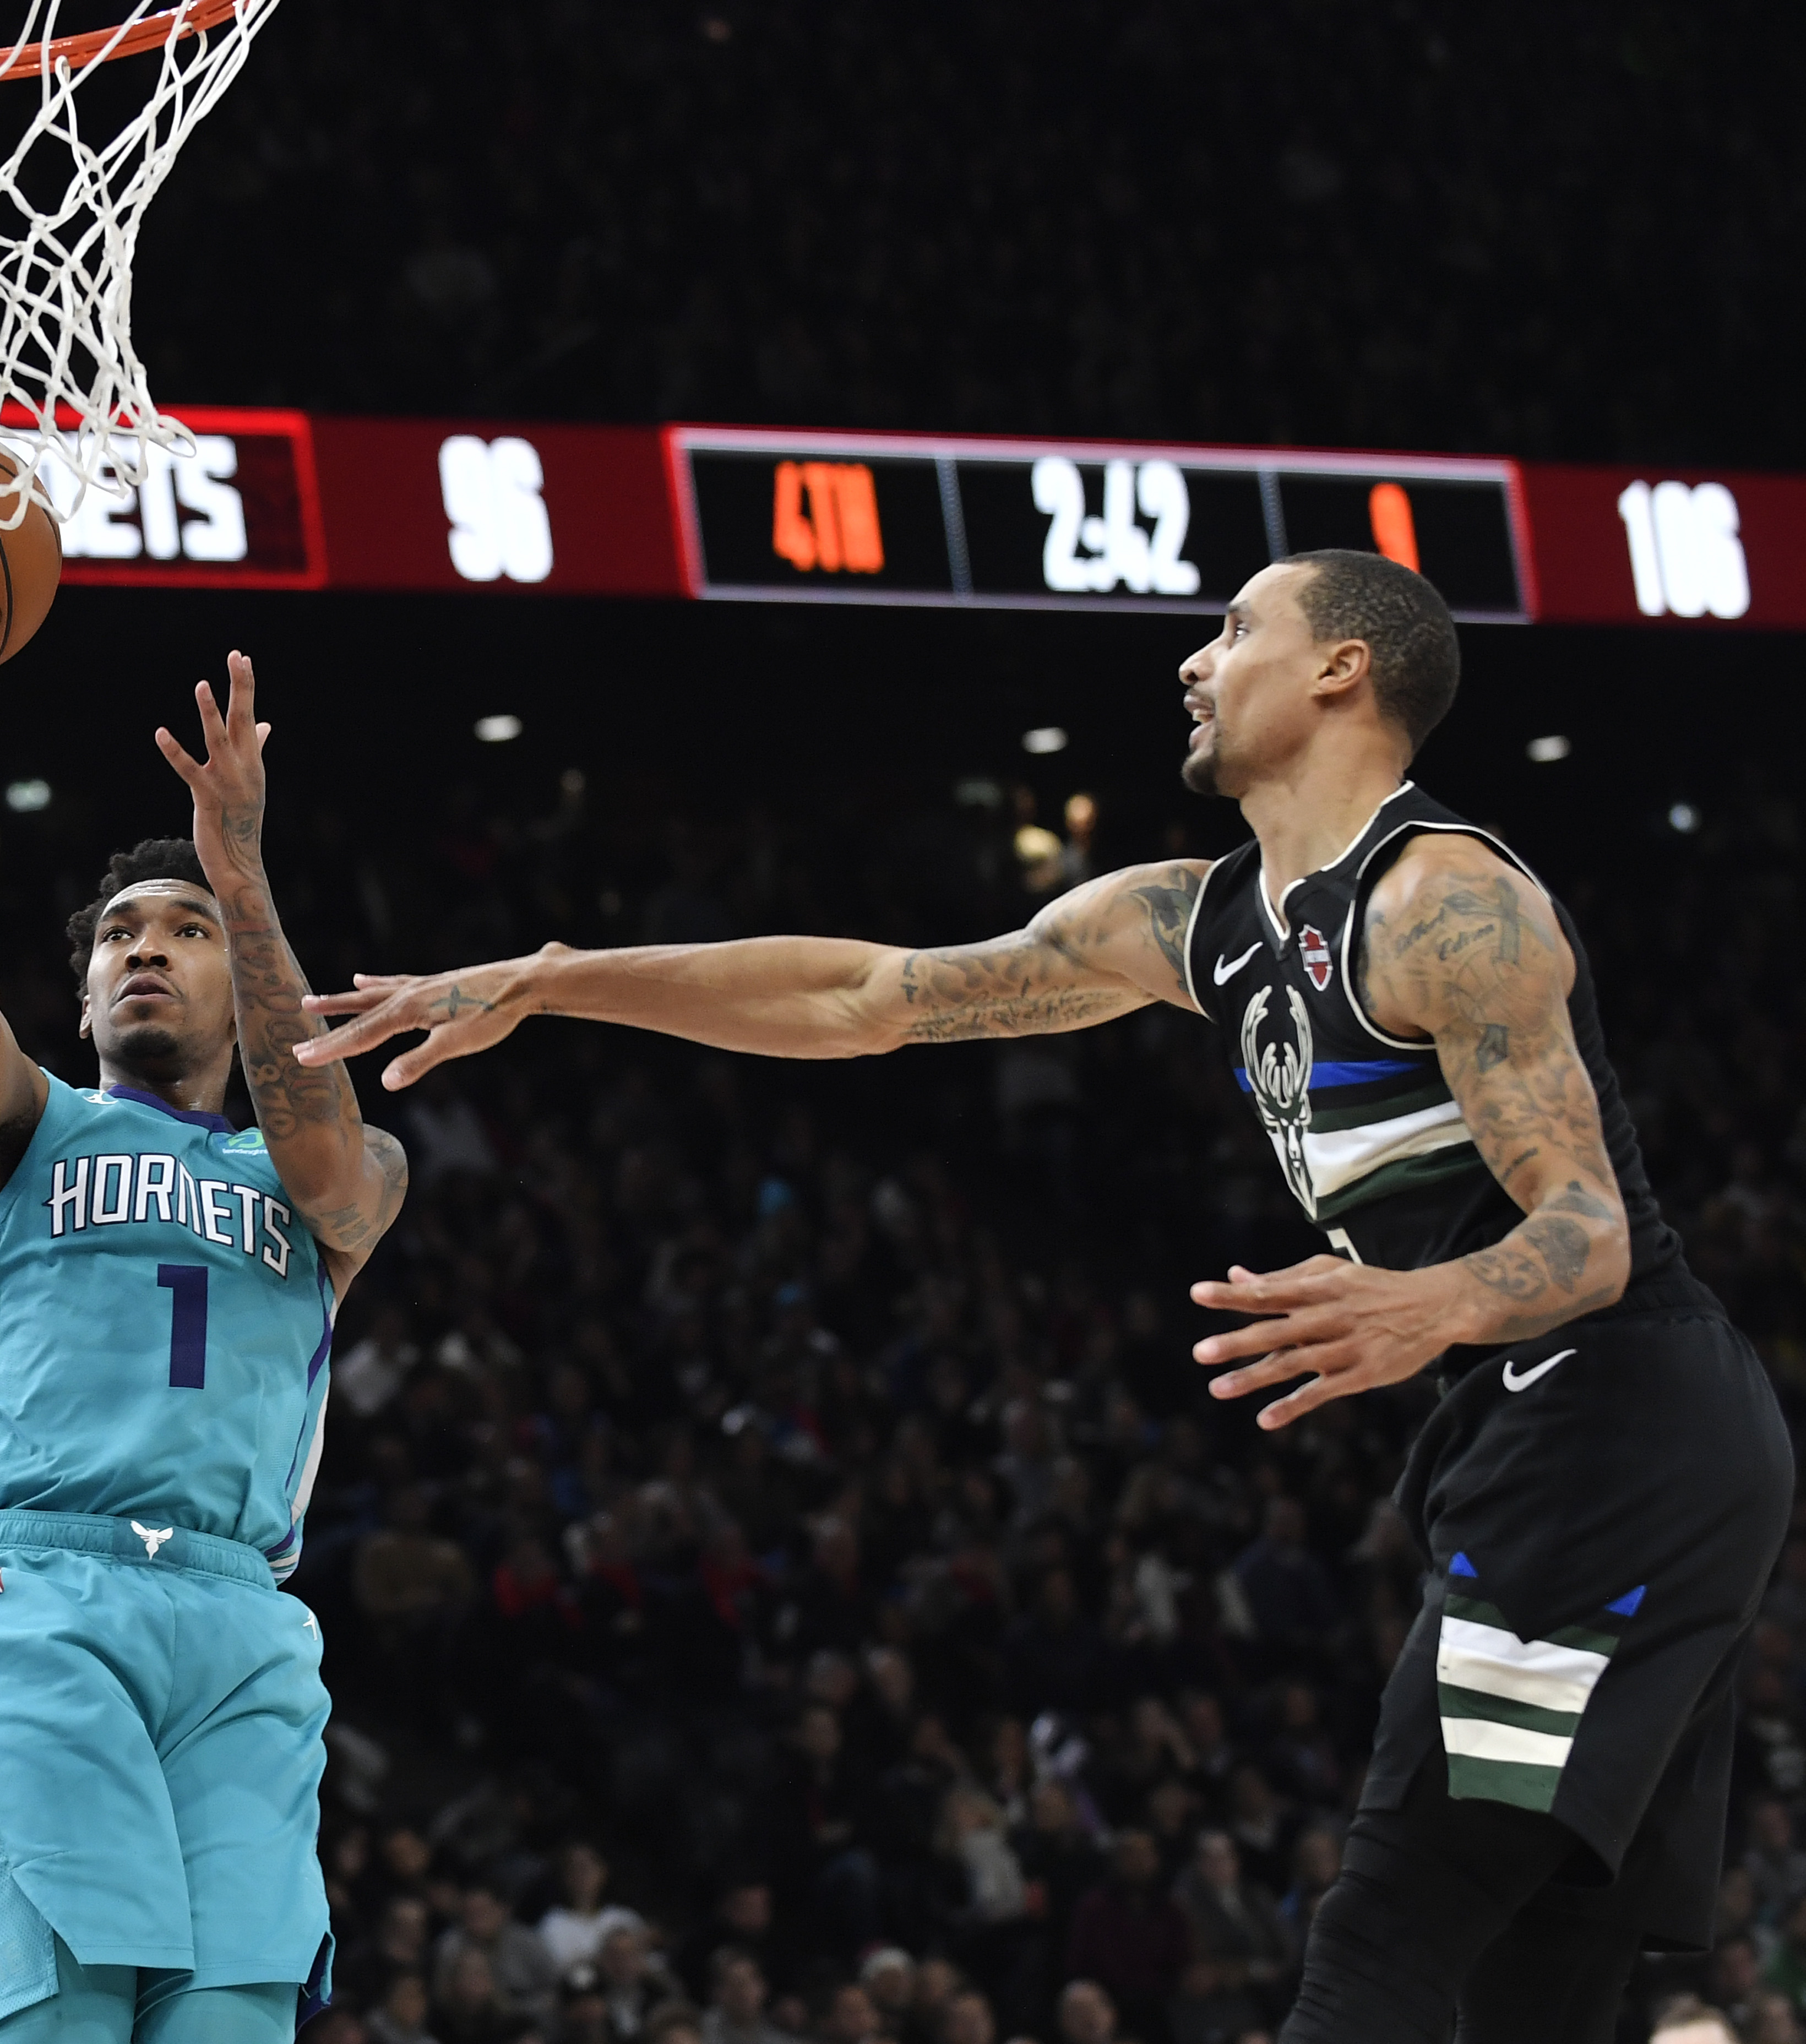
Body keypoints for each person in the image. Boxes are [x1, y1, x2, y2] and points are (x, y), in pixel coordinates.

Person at [301, 549, 1790, 2044]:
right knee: (1541, 1973)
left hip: (1614, 1410)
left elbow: (1589, 1234)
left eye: (1235, 629)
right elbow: (867, 998)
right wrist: (559, 977)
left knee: (1394, 1919)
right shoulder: (1196, 922)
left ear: (1345, 669)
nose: (1195, 663)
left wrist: (1426, 1304)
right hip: (1570, 1433)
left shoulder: (1446, 898)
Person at [0, 580, 410, 2044]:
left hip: (236, 1622)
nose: (147, 948)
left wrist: (242, 878)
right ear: (78, 999)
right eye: (118, 935)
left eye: (182, 933)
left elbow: (327, 1150)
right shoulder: (21, 1130)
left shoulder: (336, 1170)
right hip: (37, 1602)